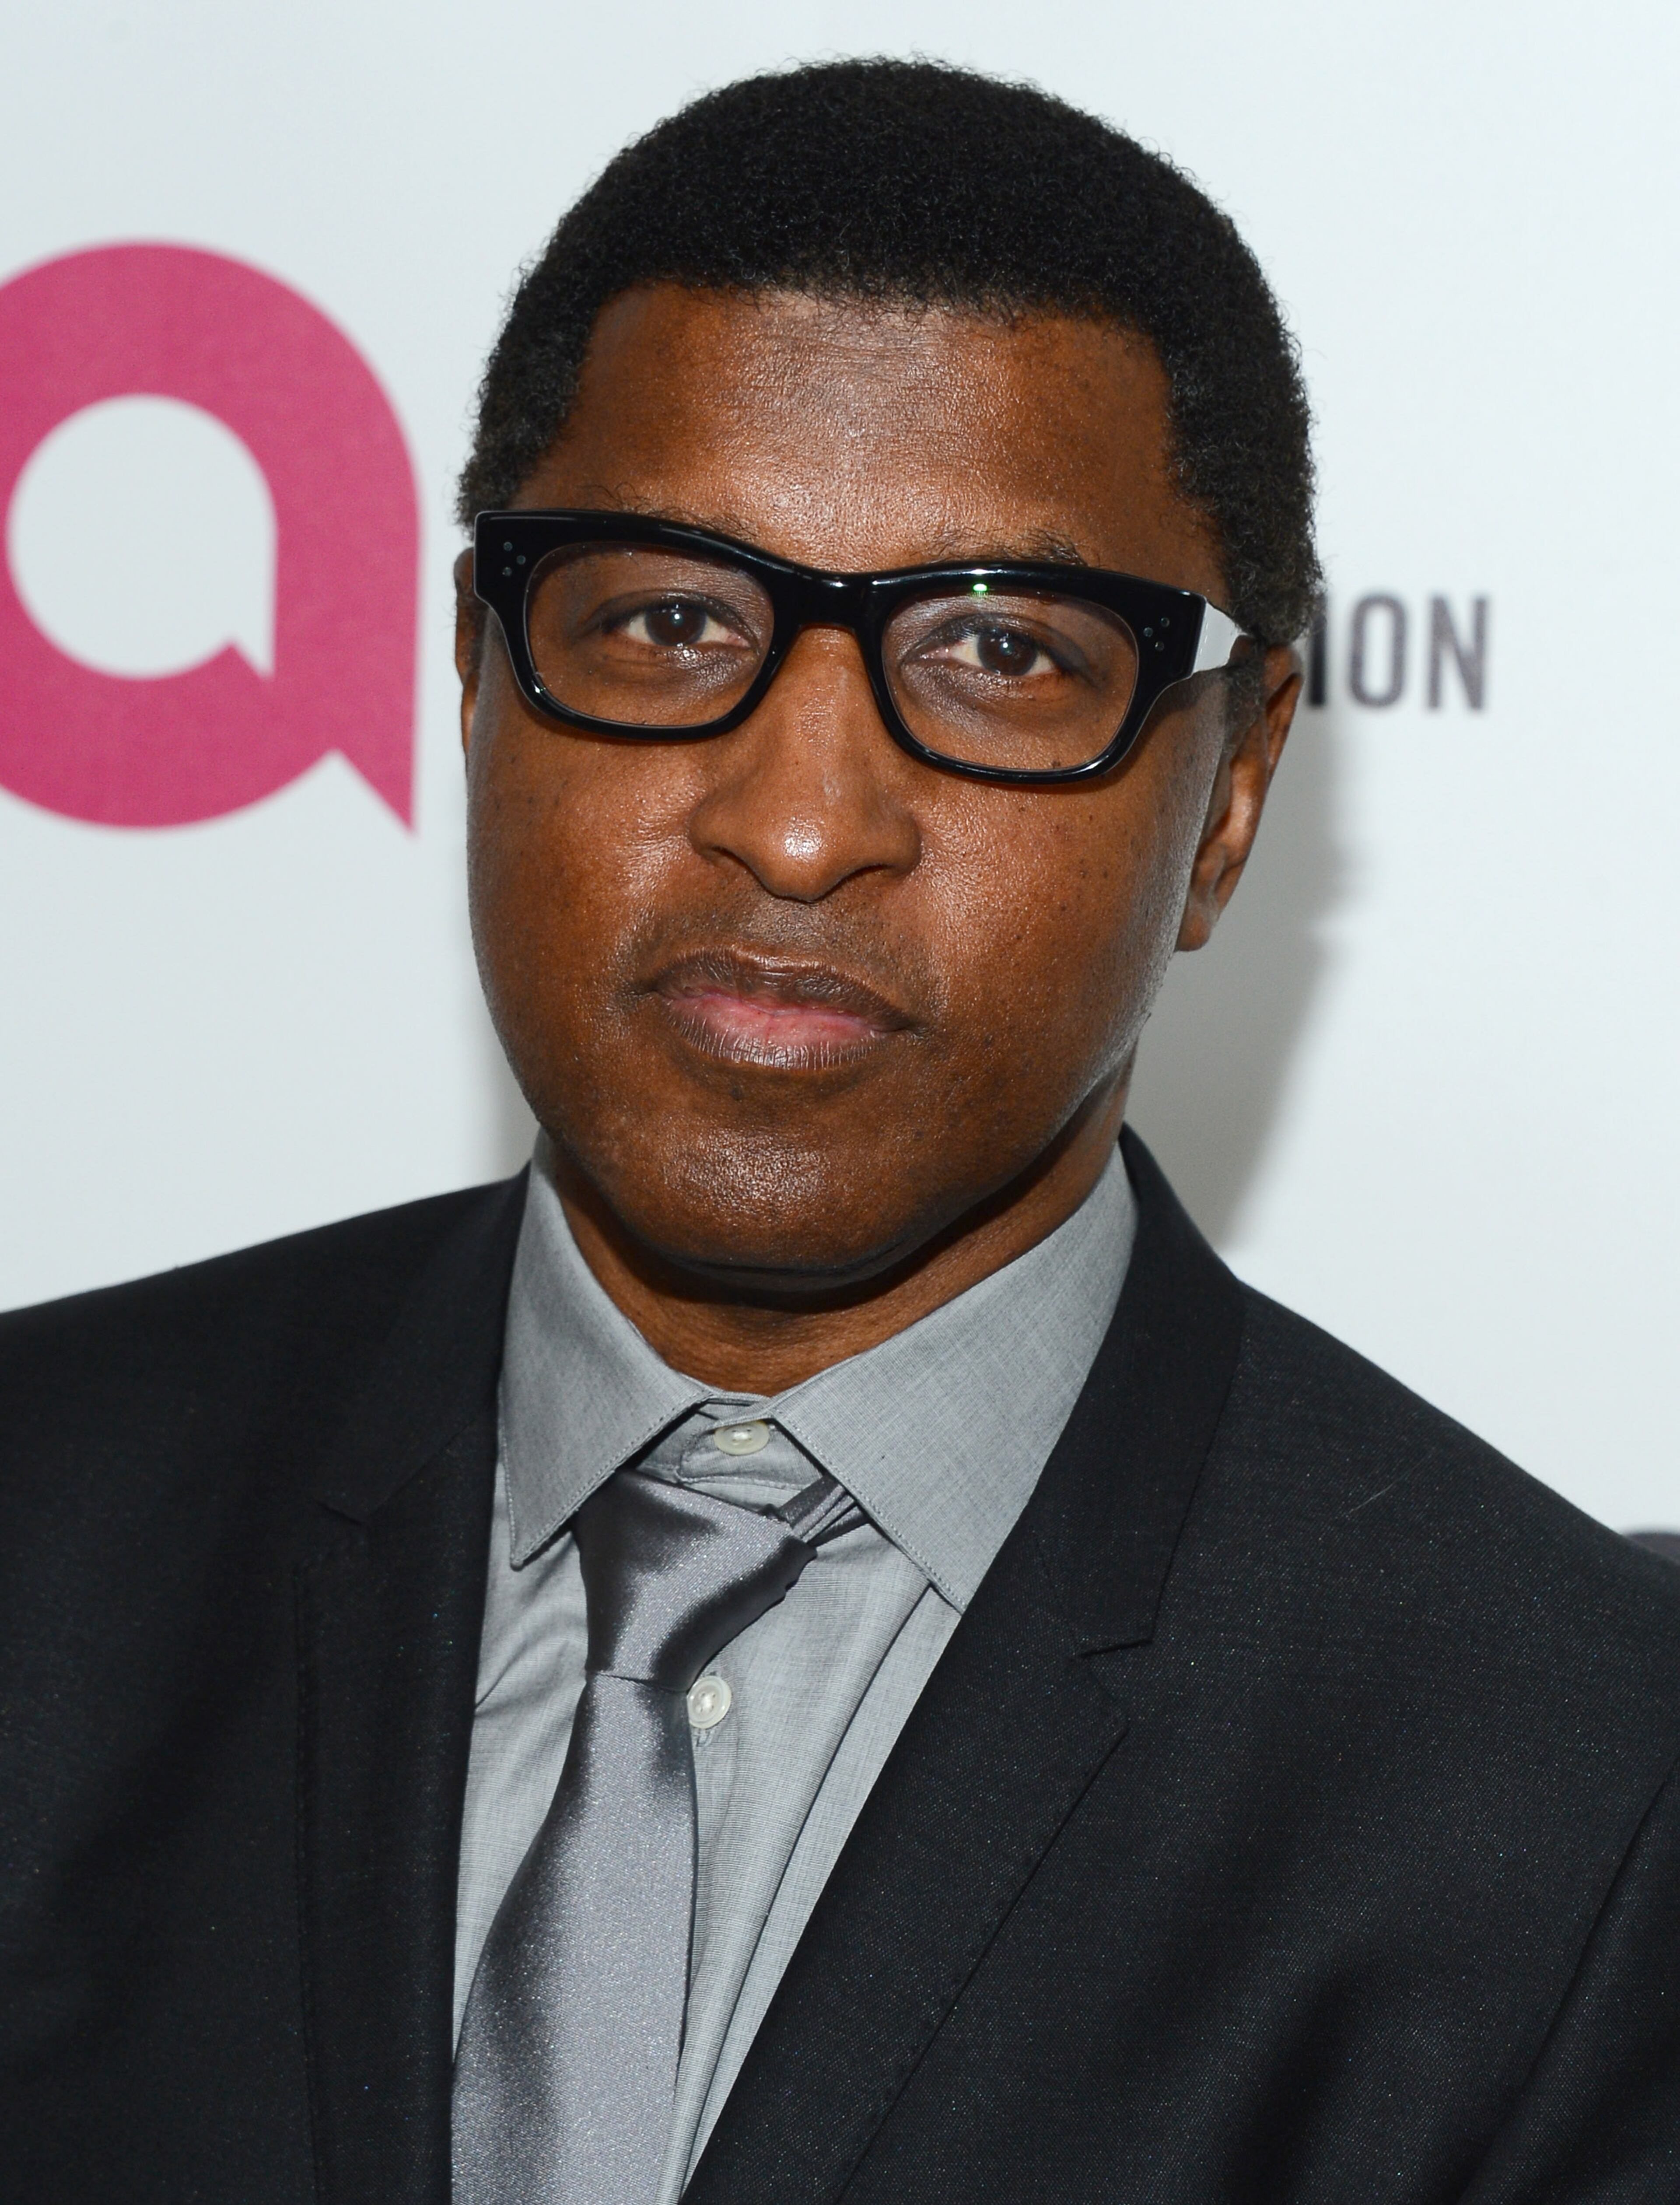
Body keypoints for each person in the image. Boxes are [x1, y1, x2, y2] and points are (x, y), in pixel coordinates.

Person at [3, 56, 1677, 2205]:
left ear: (1234, 792)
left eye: (998, 652)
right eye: (670, 619)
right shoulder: (44, 1536)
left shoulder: (1584, 1803)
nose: (797, 825)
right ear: (472, 675)